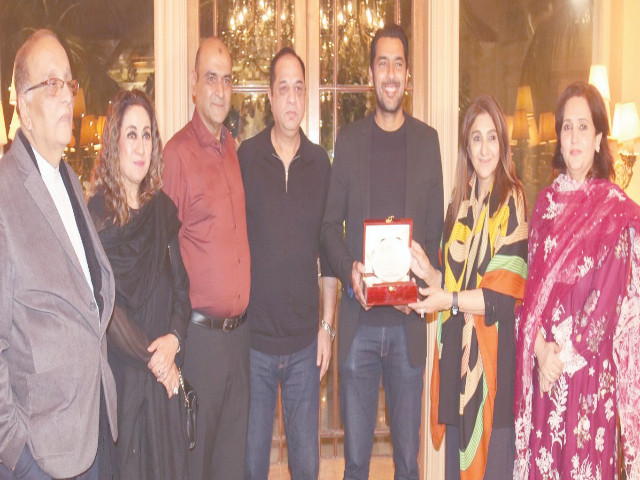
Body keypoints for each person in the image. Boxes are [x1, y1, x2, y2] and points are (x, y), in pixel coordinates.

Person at [321, 24, 443, 480]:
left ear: (407, 74)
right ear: (371, 73)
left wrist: (426, 274)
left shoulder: (428, 142)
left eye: (398, 63)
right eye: (382, 63)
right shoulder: (350, 142)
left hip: (409, 327)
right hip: (360, 329)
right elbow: (330, 227)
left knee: (408, 464)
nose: (390, 74)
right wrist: (349, 267)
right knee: (355, 463)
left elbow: (435, 230)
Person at [0, 29, 117, 480]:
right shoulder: (7, 194)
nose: (66, 95)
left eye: (68, 82)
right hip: (42, 455)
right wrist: (20, 455)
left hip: (93, 429)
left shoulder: (68, 178)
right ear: (23, 107)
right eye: (50, 84)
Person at [513, 82, 640, 479]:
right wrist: (539, 351)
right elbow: (528, 297)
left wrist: (559, 359)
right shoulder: (544, 207)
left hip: (586, 380)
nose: (573, 137)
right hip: (547, 378)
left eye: (583, 127)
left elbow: (605, 308)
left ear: (600, 136)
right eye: (567, 127)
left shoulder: (613, 211)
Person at [408, 95, 528, 479]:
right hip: (456, 366)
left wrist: (447, 299)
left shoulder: (513, 203)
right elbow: (452, 283)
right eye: (476, 138)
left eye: (492, 138)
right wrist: (429, 273)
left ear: (503, 143)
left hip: (492, 368)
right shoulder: (458, 207)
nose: (485, 148)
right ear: (466, 147)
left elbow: (500, 297)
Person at [238, 47, 338, 480]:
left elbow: (330, 253)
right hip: (253, 345)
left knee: (307, 469)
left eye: (300, 88)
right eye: (284, 89)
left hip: (303, 347)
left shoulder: (321, 165)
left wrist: (327, 327)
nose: (293, 99)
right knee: (250, 468)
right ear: (270, 98)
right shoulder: (244, 159)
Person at [87, 89, 191, 480]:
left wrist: (175, 342)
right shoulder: (95, 216)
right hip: (125, 386)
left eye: (147, 134)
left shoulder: (163, 210)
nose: (140, 145)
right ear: (114, 142)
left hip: (164, 385)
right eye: (131, 134)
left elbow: (182, 290)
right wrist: (157, 361)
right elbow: (107, 308)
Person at [162, 37, 251, 480]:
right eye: (210, 78)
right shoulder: (177, 154)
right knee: (195, 466)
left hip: (239, 342)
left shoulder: (232, 148)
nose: (219, 89)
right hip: (199, 346)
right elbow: (163, 254)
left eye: (227, 79)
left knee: (231, 467)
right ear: (194, 86)